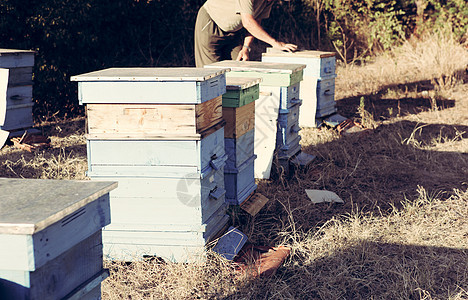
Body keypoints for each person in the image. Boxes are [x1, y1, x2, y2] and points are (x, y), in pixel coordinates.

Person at [194, 0, 297, 67]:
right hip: (211, 23)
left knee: (240, 68)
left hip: (234, 32)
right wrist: (275, 43)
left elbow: (256, 22)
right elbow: (247, 22)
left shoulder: (268, 1)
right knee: (211, 76)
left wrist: (246, 47)